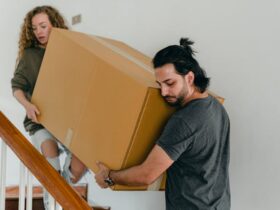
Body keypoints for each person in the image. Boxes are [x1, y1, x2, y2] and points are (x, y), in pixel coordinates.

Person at [95, 38, 230, 210]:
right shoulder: (216, 107)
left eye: (170, 83)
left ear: (189, 77)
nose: (164, 92)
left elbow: (147, 174)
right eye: (160, 84)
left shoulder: (184, 121)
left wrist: (109, 177)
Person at [11, 5, 87, 209]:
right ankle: (52, 203)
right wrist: (27, 105)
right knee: (50, 159)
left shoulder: (71, 50)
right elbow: (17, 86)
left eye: (43, 26)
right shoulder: (29, 55)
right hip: (40, 120)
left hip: (68, 119)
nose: (39, 32)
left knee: (80, 163)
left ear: (55, 24)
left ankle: (63, 192)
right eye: (34, 28)